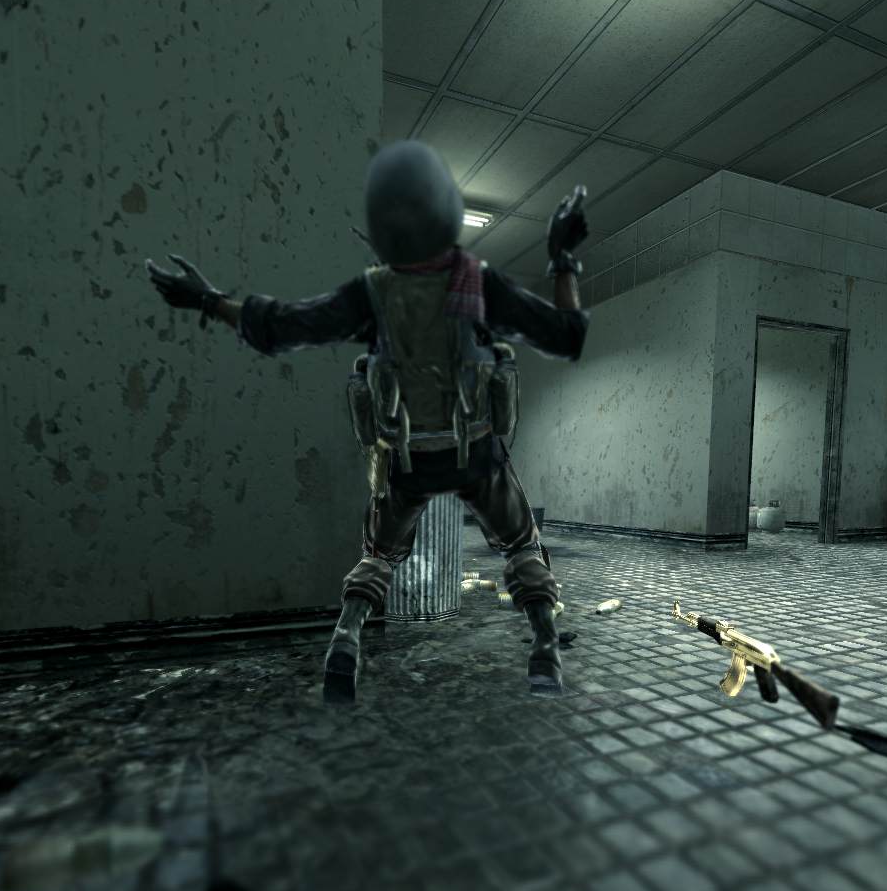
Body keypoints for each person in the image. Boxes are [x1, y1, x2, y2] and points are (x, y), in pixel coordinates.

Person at [145, 139, 591, 704]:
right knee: (522, 542)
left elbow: (282, 327)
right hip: (477, 455)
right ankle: (545, 647)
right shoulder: (477, 284)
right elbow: (567, 335)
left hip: (406, 461)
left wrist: (209, 302)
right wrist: (561, 258)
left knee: (378, 555)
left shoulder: (373, 294)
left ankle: (346, 639)